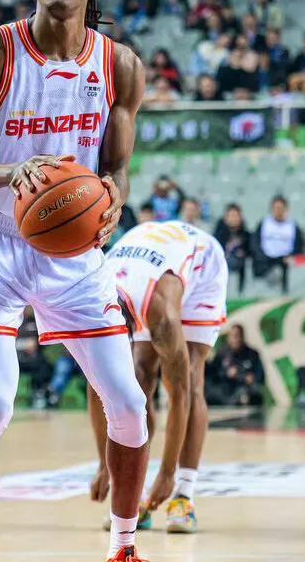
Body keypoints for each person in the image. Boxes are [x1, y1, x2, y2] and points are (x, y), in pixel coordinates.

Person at [0, 0, 150, 562]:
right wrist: (11, 173)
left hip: (72, 250)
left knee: (130, 404)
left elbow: (117, 168)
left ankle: (124, 545)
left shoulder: (120, 66)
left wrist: (113, 199)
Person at [94, 220, 229, 534]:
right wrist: (105, 465)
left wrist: (167, 474)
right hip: (145, 267)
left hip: (200, 265)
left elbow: (180, 394)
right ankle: (136, 496)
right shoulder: (93, 303)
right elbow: (96, 390)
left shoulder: (160, 314)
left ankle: (184, 495)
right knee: (137, 377)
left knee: (190, 377)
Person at [206, 324, 265, 407]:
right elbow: (213, 375)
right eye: (233, 336)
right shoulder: (221, 354)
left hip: (245, 388)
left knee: (254, 392)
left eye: (238, 336)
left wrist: (252, 378)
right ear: (228, 338)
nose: (236, 339)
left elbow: (260, 375)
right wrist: (227, 374)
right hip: (225, 391)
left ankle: (242, 399)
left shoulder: (252, 354)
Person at [254, 196, 302, 291]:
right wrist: (261, 255)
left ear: (286, 209)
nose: (278, 211)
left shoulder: (293, 226)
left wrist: (291, 255)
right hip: (266, 259)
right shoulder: (264, 224)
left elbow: (299, 245)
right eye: (276, 208)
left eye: (281, 208)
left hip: (285, 260)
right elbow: (255, 242)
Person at [213, 204, 250, 294]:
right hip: (223, 265)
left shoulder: (246, 235)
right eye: (231, 216)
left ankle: (241, 293)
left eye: (235, 216)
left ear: (241, 217)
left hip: (241, 267)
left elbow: (250, 251)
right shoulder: (218, 235)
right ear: (226, 218)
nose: (233, 219)